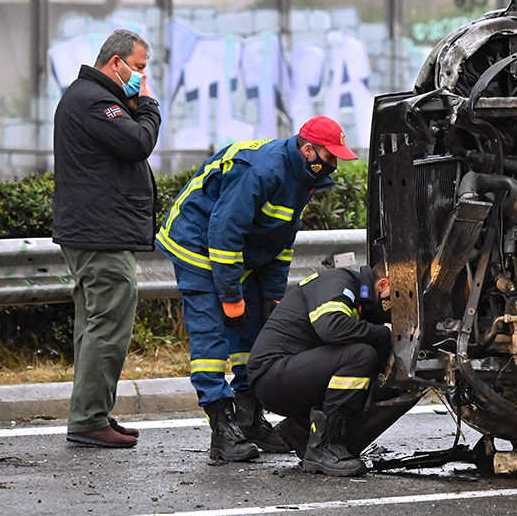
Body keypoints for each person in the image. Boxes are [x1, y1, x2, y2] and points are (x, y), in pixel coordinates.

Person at [156, 116, 358, 463]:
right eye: (329, 156)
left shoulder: (303, 178)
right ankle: (222, 428)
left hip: (238, 253)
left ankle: (249, 418)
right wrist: (230, 296)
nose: (334, 166)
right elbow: (224, 231)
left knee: (254, 332)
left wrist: (272, 297)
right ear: (308, 150)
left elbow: (280, 242)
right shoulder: (263, 170)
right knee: (211, 337)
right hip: (197, 244)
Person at [52, 29, 161, 448]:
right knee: (108, 324)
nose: (142, 78)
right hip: (100, 234)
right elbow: (138, 143)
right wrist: (148, 106)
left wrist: (131, 106)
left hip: (92, 230)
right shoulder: (95, 101)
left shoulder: (88, 97)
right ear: (115, 62)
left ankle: (93, 413)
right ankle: (88, 420)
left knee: (94, 324)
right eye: (138, 68)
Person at [247, 263, 392, 477]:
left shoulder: (360, 297)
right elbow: (332, 327)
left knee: (369, 358)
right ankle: (324, 448)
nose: (390, 309)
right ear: (382, 285)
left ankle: (301, 431)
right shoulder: (339, 282)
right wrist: (385, 333)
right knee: (361, 356)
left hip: (286, 373)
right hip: (272, 375)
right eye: (392, 299)